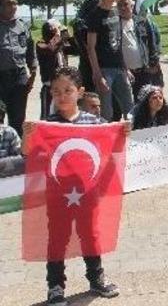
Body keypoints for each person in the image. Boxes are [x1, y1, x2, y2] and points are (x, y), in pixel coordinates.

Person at [22, 66, 126, 305]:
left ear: (80, 92)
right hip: (58, 194)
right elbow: (28, 153)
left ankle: (96, 277)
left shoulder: (94, 121)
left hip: (88, 192)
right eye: (56, 91)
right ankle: (55, 285)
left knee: (90, 233)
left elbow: (111, 145)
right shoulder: (47, 124)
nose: (61, 95)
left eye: (67, 90)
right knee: (57, 238)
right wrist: (27, 135)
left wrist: (123, 133)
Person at [86, 0, 133, 121]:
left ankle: (131, 141)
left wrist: (125, 68)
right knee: (106, 112)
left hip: (119, 68)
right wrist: (97, 74)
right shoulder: (95, 15)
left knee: (130, 108)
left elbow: (118, 42)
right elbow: (90, 47)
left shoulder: (116, 11)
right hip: (104, 70)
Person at [0, 0, 36, 135]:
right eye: (9, 4)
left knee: (18, 117)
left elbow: (30, 49)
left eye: (15, 3)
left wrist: (33, 70)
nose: (14, 7)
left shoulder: (22, 25)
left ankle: (17, 151)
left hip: (19, 76)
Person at [116, 0, 162, 99]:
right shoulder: (114, 24)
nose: (122, 8)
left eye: (125, 4)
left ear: (132, 6)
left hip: (143, 71)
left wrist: (154, 63)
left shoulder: (142, 22)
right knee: (126, 103)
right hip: (124, 72)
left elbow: (152, 42)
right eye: (120, 5)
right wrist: (124, 68)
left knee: (144, 101)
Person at [36, 20, 75, 119]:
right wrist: (58, 34)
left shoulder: (60, 44)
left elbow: (75, 49)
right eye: (55, 29)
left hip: (64, 85)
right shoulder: (41, 44)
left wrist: (69, 37)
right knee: (46, 115)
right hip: (50, 86)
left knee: (65, 114)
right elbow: (51, 49)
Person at [73, 0, 100, 92]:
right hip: (89, 64)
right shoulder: (83, 24)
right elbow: (88, 47)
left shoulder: (81, 22)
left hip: (87, 63)